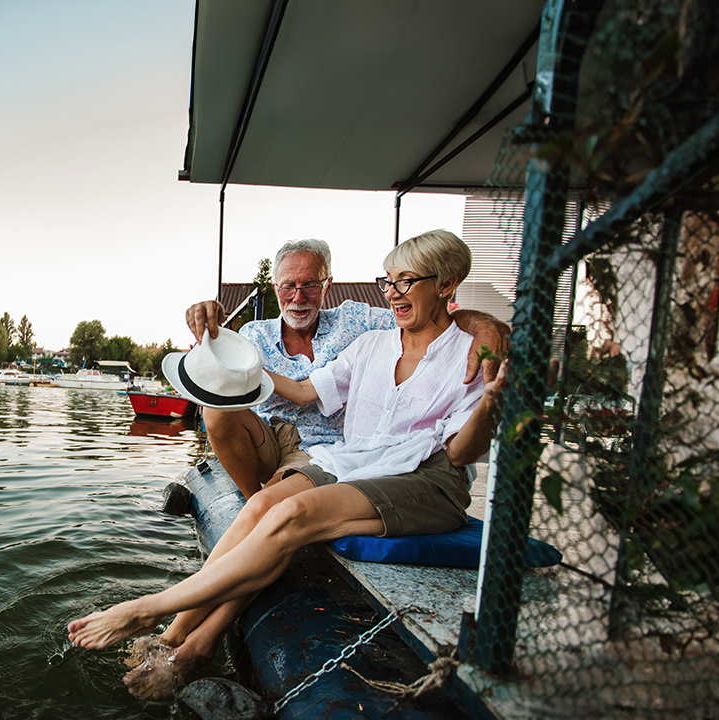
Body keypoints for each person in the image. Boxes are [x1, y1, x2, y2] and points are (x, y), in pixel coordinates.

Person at [69, 230, 508, 699]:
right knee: (260, 509)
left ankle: (153, 613)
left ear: (446, 284)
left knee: (291, 516)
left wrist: (490, 391)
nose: (394, 292)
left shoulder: (466, 353)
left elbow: (461, 454)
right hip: (354, 460)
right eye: (389, 282)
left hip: (426, 473)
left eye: (406, 281)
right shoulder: (374, 346)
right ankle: (178, 636)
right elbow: (302, 391)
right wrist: (228, 364)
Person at [184, 238, 507, 500]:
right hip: (266, 437)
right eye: (288, 286)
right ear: (275, 287)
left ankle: (266, 510)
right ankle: (250, 501)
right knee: (217, 410)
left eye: (310, 284)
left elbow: (430, 316)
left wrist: (483, 324)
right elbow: (221, 375)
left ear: (328, 285)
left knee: (284, 499)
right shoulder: (254, 334)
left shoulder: (362, 322)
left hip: (325, 448)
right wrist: (209, 329)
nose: (298, 297)